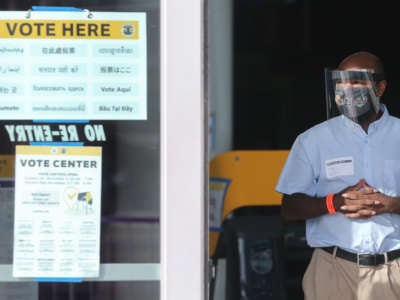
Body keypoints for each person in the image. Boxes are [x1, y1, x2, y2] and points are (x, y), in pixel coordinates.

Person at [275, 51, 400, 300]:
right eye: (341, 83)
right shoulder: (313, 140)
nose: (348, 90)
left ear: (380, 87)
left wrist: (392, 204)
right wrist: (334, 203)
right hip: (332, 269)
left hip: (393, 271)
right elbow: (289, 208)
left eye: (357, 82)